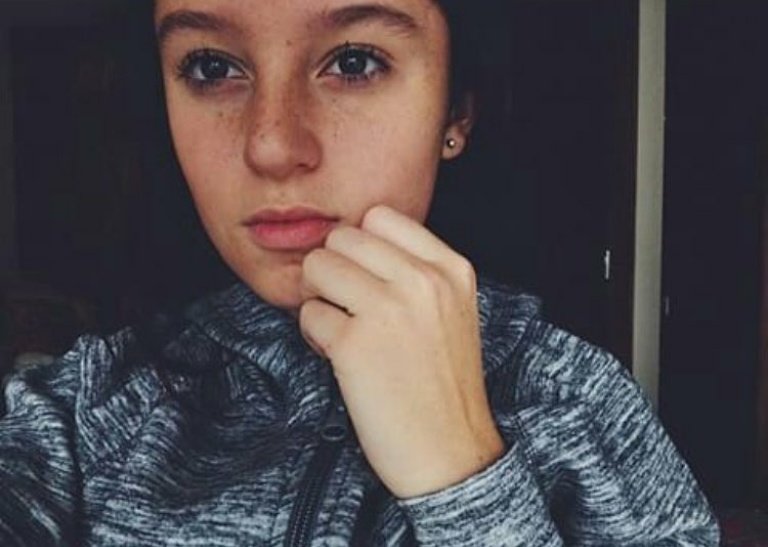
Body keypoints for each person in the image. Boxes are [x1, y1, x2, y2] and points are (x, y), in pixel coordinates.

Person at [0, 0, 719, 545]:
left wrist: (462, 472)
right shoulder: (83, 412)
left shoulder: (584, 404)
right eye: (212, 68)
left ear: (455, 112)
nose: (271, 145)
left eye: (353, 62)